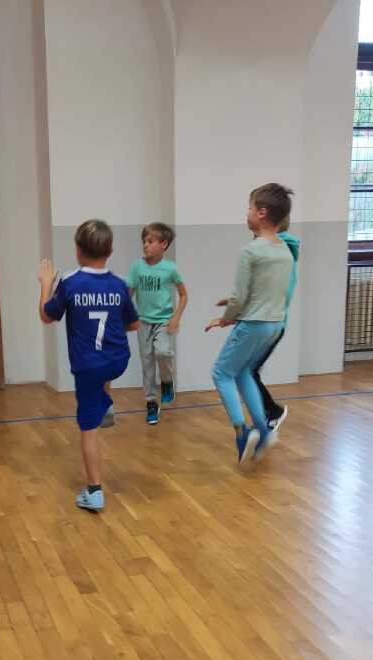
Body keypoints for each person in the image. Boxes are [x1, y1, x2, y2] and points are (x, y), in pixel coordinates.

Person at [38, 219, 139, 511]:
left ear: (78, 250)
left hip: (88, 367)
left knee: (88, 428)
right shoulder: (119, 285)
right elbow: (133, 324)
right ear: (110, 251)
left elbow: (47, 316)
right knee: (104, 371)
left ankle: (94, 492)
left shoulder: (70, 283)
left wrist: (46, 284)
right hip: (119, 360)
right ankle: (105, 402)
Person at [206, 183, 294, 464]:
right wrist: (234, 305)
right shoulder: (285, 251)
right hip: (274, 325)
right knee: (243, 371)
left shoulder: (251, 251)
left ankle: (242, 432)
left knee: (221, 372)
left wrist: (226, 317)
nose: (247, 212)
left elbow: (240, 297)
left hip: (253, 324)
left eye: (249, 207)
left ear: (261, 212)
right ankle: (265, 431)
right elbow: (270, 291)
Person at [125, 223, 188, 425]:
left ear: (164, 244)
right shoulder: (136, 267)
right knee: (147, 363)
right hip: (143, 321)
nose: (146, 245)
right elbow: (128, 295)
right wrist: (124, 317)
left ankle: (167, 381)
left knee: (162, 352)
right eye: (144, 241)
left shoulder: (170, 269)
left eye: (150, 241)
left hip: (163, 320)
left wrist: (176, 317)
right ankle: (151, 402)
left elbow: (183, 295)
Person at [250, 216, 299, 433]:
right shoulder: (272, 250)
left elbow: (278, 293)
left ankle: (272, 411)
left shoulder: (280, 253)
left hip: (270, 324)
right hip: (265, 323)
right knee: (248, 371)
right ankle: (265, 416)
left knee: (246, 371)